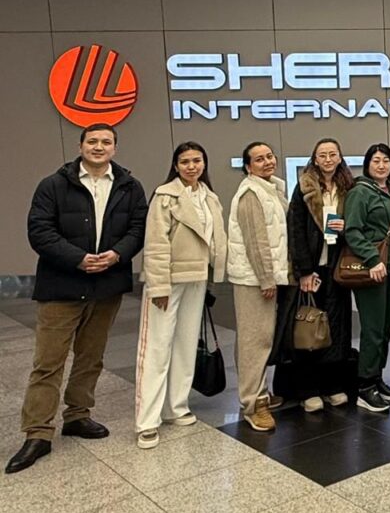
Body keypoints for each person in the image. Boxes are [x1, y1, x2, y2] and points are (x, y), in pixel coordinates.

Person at [6, 123, 147, 474]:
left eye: (106, 142)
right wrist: (78, 259)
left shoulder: (129, 186)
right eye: (92, 141)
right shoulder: (53, 185)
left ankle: (78, 415)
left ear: (115, 148)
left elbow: (138, 228)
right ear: (81, 145)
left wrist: (117, 254)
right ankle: (38, 432)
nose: (99, 147)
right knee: (48, 361)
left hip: (107, 285)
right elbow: (40, 231)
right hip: (62, 285)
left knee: (91, 356)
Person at [135, 142, 227, 449]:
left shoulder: (209, 197)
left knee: (186, 346)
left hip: (196, 279)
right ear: (175, 166)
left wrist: (215, 275)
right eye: (185, 161)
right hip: (169, 281)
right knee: (156, 348)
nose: (192, 166)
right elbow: (156, 244)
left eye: (197, 160)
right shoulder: (165, 196)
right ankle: (147, 421)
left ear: (204, 163)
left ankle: (176, 407)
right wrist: (158, 286)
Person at [278, 137, 355, 413]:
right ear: (314, 159)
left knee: (336, 328)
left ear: (340, 157)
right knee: (309, 328)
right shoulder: (304, 188)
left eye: (333, 154)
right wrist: (304, 271)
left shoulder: (348, 187)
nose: (328, 159)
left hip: (337, 268)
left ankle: (332, 386)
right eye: (322, 155)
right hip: (313, 268)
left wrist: (345, 226)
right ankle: (308, 390)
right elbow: (296, 230)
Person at [227, 141, 291, 432]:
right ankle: (254, 405)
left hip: (265, 276)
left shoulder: (271, 189)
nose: (267, 162)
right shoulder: (251, 193)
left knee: (259, 338)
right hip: (254, 280)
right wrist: (266, 278)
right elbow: (256, 242)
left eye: (269, 156)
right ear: (248, 167)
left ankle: (259, 393)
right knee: (255, 341)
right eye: (259, 159)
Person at [346, 143, 390, 413]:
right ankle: (364, 386)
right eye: (376, 161)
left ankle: (377, 378)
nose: (381, 165)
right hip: (373, 270)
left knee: (384, 329)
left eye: (386, 161)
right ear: (367, 164)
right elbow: (353, 230)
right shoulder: (360, 192)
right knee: (372, 330)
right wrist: (372, 259)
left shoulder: (389, 191)